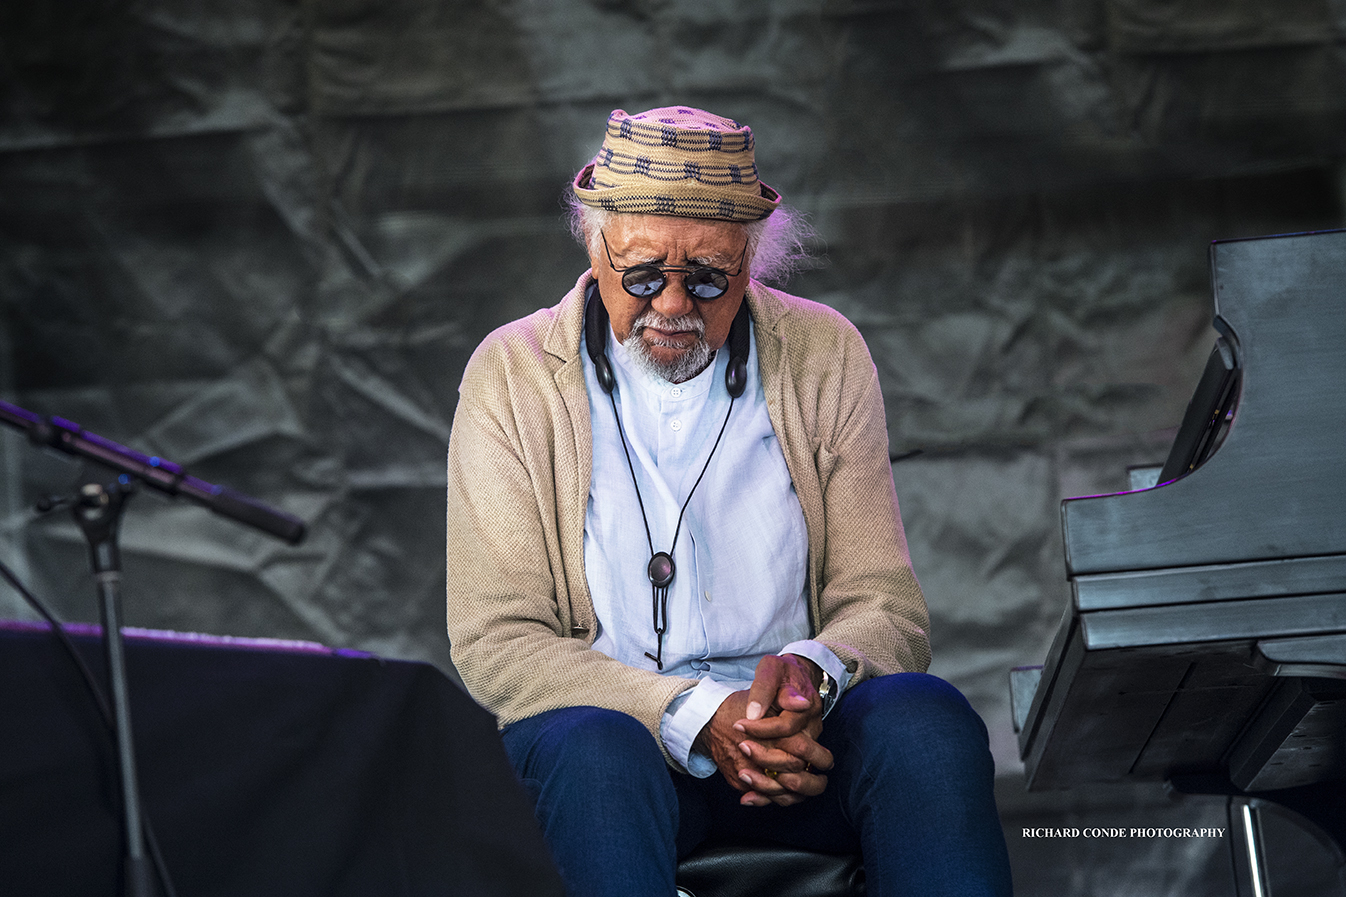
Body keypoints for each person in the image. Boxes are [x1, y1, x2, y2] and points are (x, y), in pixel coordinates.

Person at [446, 106, 1013, 896]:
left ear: (754, 260)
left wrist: (810, 681)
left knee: (923, 720)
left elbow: (886, 607)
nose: (673, 306)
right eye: (643, 275)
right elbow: (497, 641)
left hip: (798, 748)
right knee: (596, 754)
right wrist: (693, 712)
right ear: (593, 245)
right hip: (616, 746)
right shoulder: (511, 373)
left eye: (708, 278)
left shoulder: (825, 351)